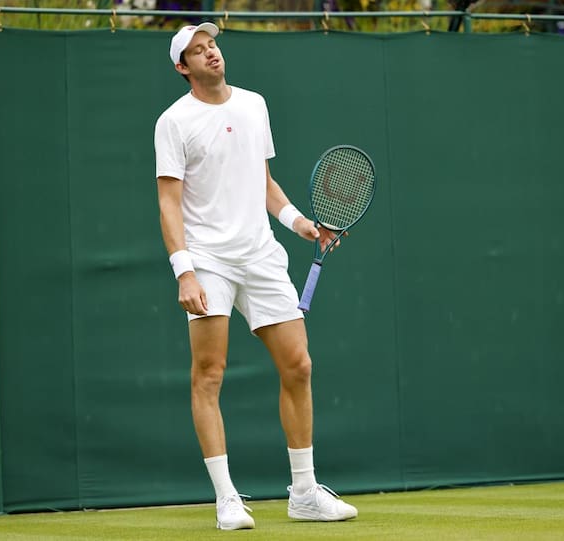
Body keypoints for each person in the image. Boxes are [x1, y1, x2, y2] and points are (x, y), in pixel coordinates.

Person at [153, 22, 358, 531]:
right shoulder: (173, 122)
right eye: (198, 52)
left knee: (299, 366)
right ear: (184, 68)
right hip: (209, 261)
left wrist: (302, 225)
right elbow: (169, 202)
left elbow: (262, 181)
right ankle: (226, 498)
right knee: (209, 374)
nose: (211, 55)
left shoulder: (254, 104)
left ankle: (305, 492)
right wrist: (185, 271)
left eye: (213, 45)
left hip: (261, 255)